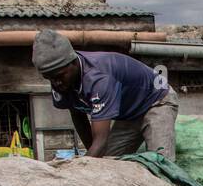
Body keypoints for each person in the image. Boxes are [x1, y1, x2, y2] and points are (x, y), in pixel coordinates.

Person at [31, 28, 178, 160]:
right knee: (108, 161)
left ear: (73, 62)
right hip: (129, 113)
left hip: (157, 100)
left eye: (59, 76)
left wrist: (85, 166)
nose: (56, 83)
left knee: (161, 164)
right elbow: (78, 116)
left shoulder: (99, 78)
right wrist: (92, 158)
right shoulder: (61, 82)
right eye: (49, 78)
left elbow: (100, 140)